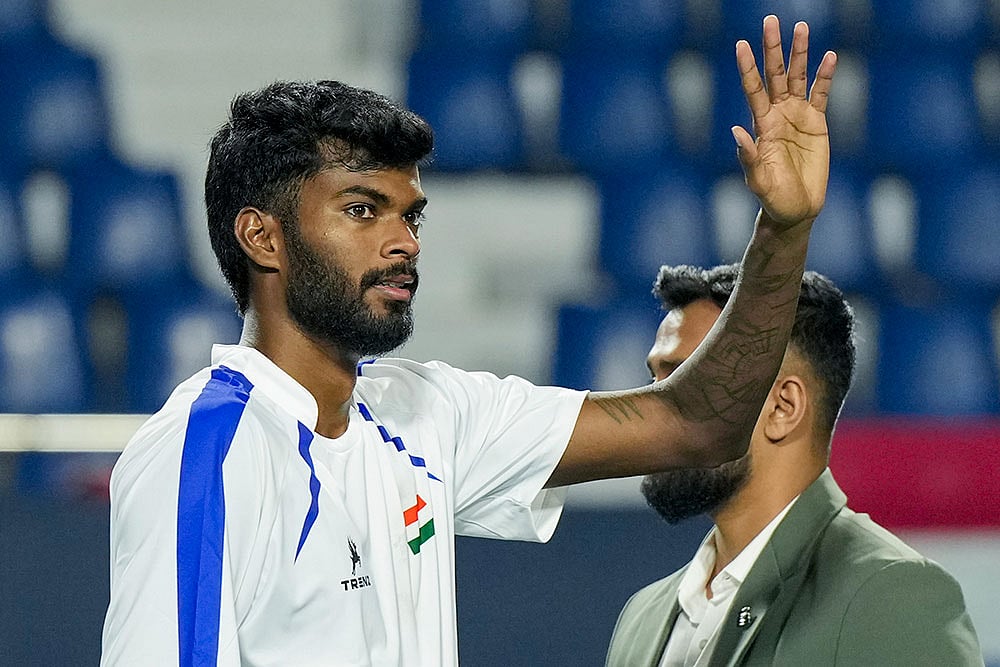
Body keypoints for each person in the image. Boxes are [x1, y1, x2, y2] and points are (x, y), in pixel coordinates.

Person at [101, 16, 838, 666]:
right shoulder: (203, 455)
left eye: (410, 217)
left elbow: (697, 423)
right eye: (363, 209)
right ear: (263, 236)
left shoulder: (429, 412)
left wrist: (784, 227)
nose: (403, 243)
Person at [605, 264, 985, 666]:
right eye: (654, 382)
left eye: (684, 380)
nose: (650, 408)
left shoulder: (891, 595)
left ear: (783, 407)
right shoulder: (641, 616)